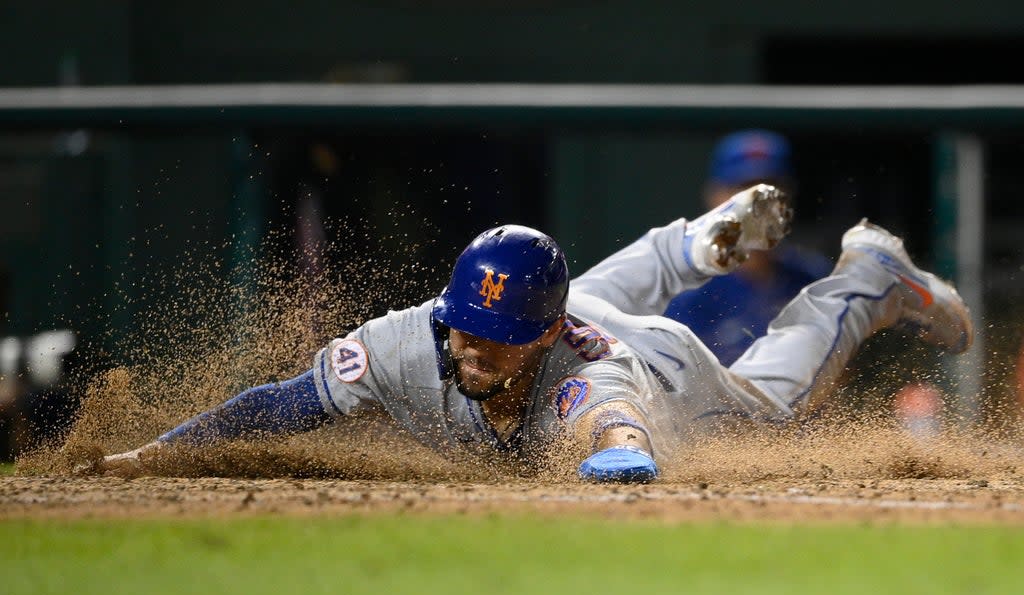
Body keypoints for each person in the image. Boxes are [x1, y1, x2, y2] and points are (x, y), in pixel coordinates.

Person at [102, 184, 973, 483]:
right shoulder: (414, 338)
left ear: (544, 337)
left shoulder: (581, 376)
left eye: (496, 341)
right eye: (463, 333)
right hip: (572, 313)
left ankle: (865, 280)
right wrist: (156, 453)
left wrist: (623, 455)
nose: (471, 352)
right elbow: (285, 403)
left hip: (658, 365)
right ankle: (686, 246)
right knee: (567, 300)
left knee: (771, 404)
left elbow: (611, 420)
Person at [664, 130, 833, 366]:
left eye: (769, 187)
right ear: (715, 196)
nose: (757, 202)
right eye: (743, 189)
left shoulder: (814, 278)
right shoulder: (684, 289)